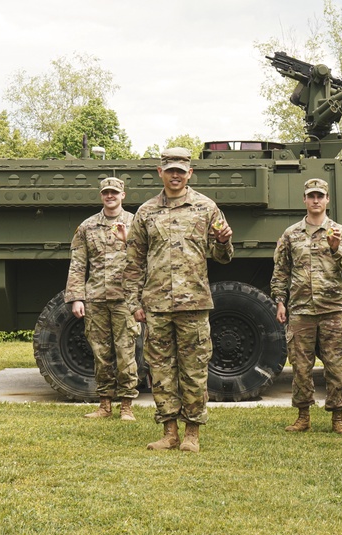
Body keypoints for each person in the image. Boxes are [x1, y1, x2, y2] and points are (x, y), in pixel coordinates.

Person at [123, 147, 233, 452]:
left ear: (189, 174)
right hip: (156, 304)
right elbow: (133, 261)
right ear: (160, 172)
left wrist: (224, 242)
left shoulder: (206, 207)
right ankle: (169, 431)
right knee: (159, 369)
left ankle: (192, 433)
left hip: (194, 304)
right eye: (169, 170)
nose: (175, 175)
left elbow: (223, 256)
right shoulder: (145, 212)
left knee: (194, 369)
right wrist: (134, 303)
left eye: (180, 171)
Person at [271, 178, 342, 436]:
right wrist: (280, 301)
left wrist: (336, 248)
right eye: (311, 196)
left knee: (336, 365)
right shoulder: (291, 234)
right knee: (300, 366)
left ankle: (338, 417)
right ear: (305, 200)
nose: (316, 200)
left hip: (333, 309)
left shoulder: (340, 233)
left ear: (327, 200)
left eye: (320, 196)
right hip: (301, 310)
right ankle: (303, 415)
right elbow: (281, 270)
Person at [65, 176, 140, 421]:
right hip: (96, 297)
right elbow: (78, 264)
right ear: (101, 196)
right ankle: (105, 404)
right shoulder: (87, 227)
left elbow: (145, 258)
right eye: (106, 193)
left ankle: (127, 405)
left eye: (115, 193)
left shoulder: (135, 223)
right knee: (100, 353)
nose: (110, 196)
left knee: (126, 351)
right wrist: (77, 297)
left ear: (123, 195)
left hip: (125, 299)